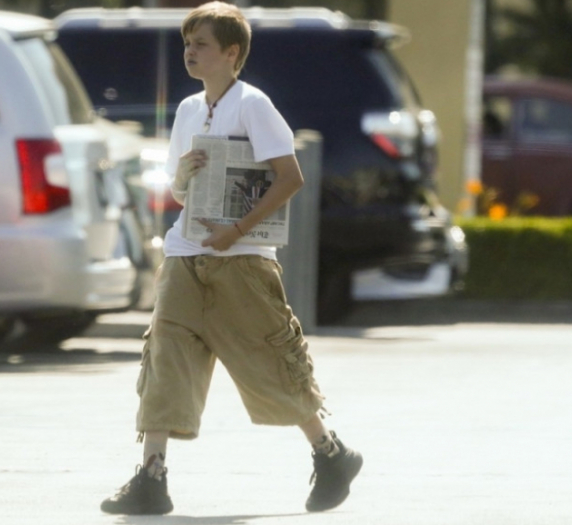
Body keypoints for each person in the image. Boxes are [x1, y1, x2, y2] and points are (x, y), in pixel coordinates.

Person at [100, 1, 362, 515]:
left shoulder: (253, 104)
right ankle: (152, 477)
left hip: (241, 260)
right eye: (187, 43)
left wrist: (237, 231)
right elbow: (179, 191)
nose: (189, 52)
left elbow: (290, 177)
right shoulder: (187, 110)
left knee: (270, 361)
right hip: (184, 252)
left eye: (200, 44)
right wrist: (183, 174)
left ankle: (331, 453)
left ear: (231, 52)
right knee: (165, 359)